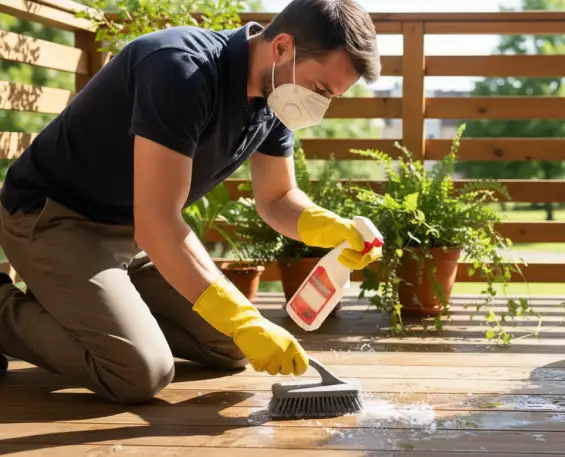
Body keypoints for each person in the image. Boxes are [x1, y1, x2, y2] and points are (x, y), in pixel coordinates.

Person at [0, 0, 381, 404]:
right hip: (52, 217)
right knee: (139, 371)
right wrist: (241, 317)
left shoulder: (276, 98)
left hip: (131, 234)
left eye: (331, 97)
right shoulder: (181, 69)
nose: (319, 107)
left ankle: (77, 302)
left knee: (231, 347)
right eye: (320, 89)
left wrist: (333, 228)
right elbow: (160, 221)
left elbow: (277, 198)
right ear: (283, 47)